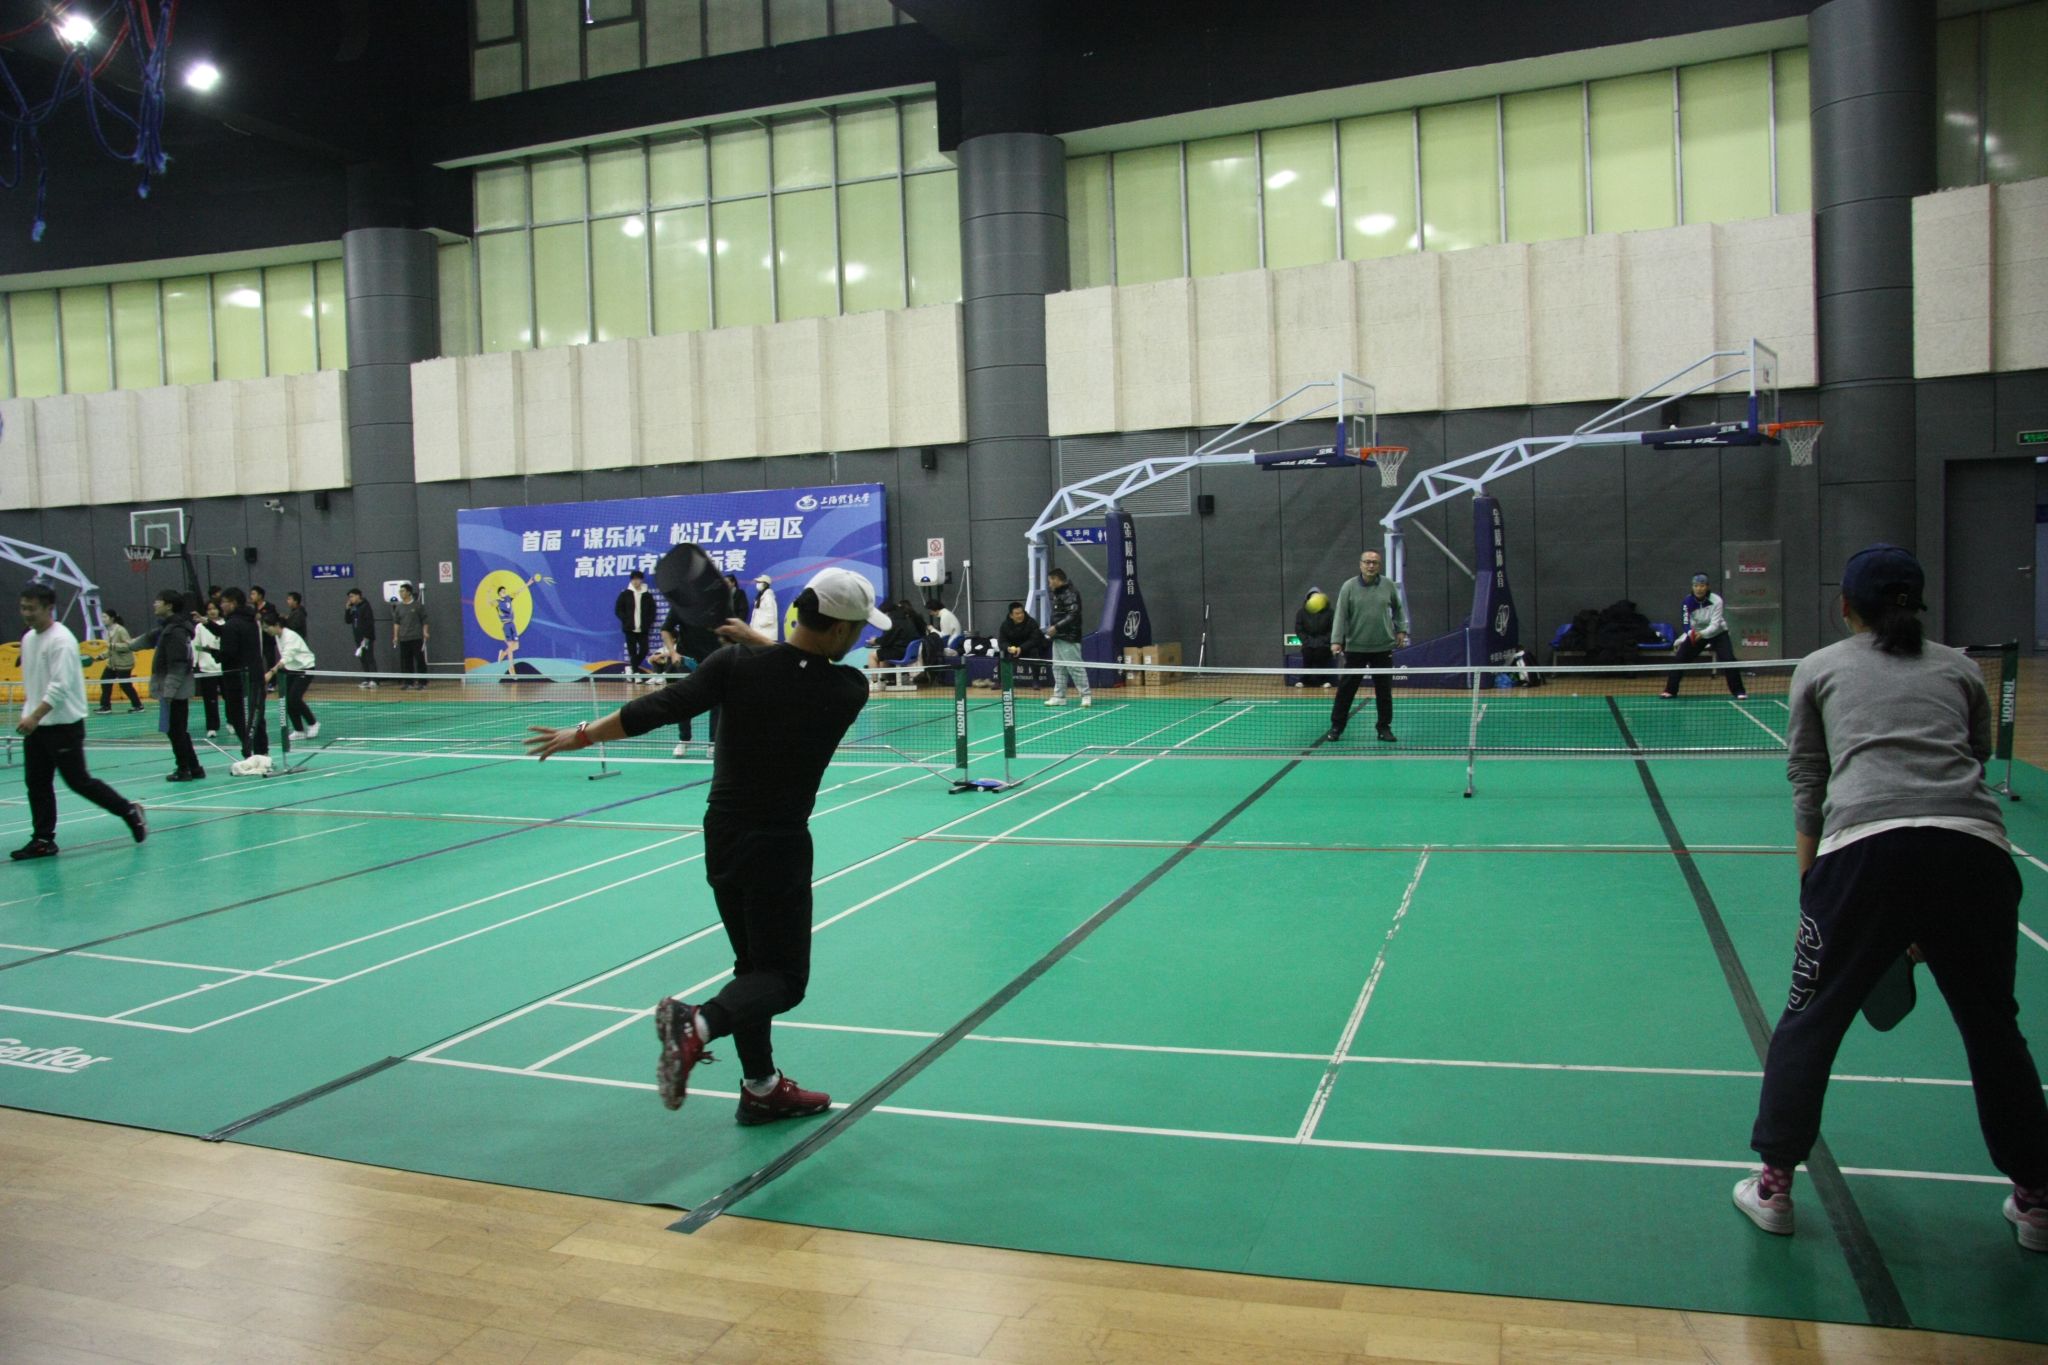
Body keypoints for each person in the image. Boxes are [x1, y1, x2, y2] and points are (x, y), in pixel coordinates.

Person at [1733, 545, 2048, 1254]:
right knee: (1994, 1029)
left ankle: (1774, 1187)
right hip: (1975, 857)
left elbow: (1808, 779)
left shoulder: (1818, 668)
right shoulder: (1961, 668)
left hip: (1864, 857)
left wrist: (1814, 891)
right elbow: (1972, 758)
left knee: (1809, 1021)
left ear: (1845, 606)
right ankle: (2037, 1198)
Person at [525, 567, 893, 1125]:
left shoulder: (733, 665)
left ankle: (761, 1087)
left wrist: (582, 735)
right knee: (783, 980)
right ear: (841, 631)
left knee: (752, 968)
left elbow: (659, 709)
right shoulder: (847, 689)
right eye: (859, 628)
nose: (861, 637)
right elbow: (798, 670)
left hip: (722, 836)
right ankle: (694, 1024)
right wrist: (760, 641)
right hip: (778, 845)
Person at [12, 583, 146, 859]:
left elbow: (59, 687)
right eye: (23, 607)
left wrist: (34, 715)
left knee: (78, 781)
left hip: (63, 725)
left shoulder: (62, 640)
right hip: (37, 726)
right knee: (36, 783)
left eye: (32, 608)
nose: (26, 613)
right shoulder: (29, 639)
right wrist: (30, 714)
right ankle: (43, 839)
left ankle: (128, 810)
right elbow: (35, 681)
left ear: (49, 608)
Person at [1325, 549, 1408, 743]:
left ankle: (1384, 728)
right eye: (1367, 562)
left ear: (1379, 565)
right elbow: (1340, 615)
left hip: (1383, 647)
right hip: (1356, 648)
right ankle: (1337, 727)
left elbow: (1398, 609)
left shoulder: (1388, 585)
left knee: (1384, 692)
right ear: (1360, 564)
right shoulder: (1348, 587)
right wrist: (1336, 640)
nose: (1371, 565)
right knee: (1346, 691)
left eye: (1374, 562)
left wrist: (1401, 629)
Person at [142, 589, 204, 782]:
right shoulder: (167, 628)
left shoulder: (175, 631)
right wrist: (112, 650)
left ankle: (183, 770)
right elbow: (143, 641)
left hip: (175, 691)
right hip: (173, 690)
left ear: (169, 606)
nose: (155, 604)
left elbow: (178, 665)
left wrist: (168, 692)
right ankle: (195, 768)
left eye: (158, 601)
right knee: (178, 731)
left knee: (175, 731)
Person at [1663, 572, 1746, 700]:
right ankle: (1670, 690)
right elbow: (1685, 623)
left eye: (1702, 586)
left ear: (1707, 587)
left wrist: (1702, 634)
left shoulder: (1716, 600)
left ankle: (1739, 691)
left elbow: (1715, 624)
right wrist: (1691, 634)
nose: (1699, 589)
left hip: (1718, 633)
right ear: (1692, 587)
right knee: (1679, 659)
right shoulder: (1687, 602)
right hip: (1696, 633)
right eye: (1696, 586)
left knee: (1729, 660)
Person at [646, 621, 715, 758]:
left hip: (711, 661)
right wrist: (672, 653)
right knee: (684, 702)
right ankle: (684, 740)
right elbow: (666, 628)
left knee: (716, 704)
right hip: (687, 663)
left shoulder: (712, 618)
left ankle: (713, 743)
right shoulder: (683, 617)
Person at [215, 586, 266, 758]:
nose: (221, 605)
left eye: (224, 602)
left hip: (238, 678)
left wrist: (217, 654)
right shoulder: (251, 621)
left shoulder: (232, 624)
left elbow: (229, 652)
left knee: (237, 715)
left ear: (233, 603)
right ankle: (261, 753)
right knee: (256, 715)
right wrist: (207, 624)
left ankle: (249, 753)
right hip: (255, 674)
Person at [264, 616, 319, 740]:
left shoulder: (290, 636)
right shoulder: (277, 636)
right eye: (264, 628)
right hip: (292, 669)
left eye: (267, 627)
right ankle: (299, 730)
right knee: (286, 699)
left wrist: (271, 673)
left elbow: (286, 657)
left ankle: (313, 723)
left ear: (277, 625)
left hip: (305, 668)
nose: (266, 630)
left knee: (294, 698)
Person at [1044, 568, 1092, 707]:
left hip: (1069, 637)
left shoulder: (1070, 593)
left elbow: (1073, 615)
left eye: (1050, 581)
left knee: (1075, 667)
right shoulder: (1058, 593)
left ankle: (1086, 695)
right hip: (1058, 637)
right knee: (1058, 668)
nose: (1049, 584)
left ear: (1056, 579)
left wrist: (1056, 627)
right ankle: (1059, 696)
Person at [96, 610, 143, 713]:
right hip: (112, 664)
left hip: (124, 664)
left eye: (105, 617)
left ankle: (138, 706)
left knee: (125, 685)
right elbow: (110, 649)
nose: (103, 619)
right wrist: (101, 656)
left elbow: (129, 646)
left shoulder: (121, 630)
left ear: (112, 618)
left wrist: (114, 646)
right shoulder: (108, 631)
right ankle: (105, 706)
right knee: (105, 681)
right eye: (102, 617)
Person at [615, 569, 658, 681]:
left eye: (637, 579)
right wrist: (626, 620)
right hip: (629, 628)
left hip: (643, 628)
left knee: (644, 650)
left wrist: (648, 622)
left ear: (641, 580)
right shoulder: (625, 594)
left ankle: (631, 668)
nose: (635, 581)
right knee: (632, 652)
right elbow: (618, 610)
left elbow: (652, 611)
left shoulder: (647, 595)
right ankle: (636, 674)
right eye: (633, 579)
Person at [193, 600, 225, 738]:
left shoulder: (225, 624)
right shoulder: (200, 627)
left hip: (224, 667)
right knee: (210, 700)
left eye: (214, 608)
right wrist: (194, 663)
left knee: (230, 697)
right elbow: (196, 645)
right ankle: (212, 727)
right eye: (209, 609)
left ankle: (232, 722)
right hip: (207, 668)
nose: (212, 611)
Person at [998, 601, 1046, 687]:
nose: (1020, 615)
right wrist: (1008, 648)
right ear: (1011, 615)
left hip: (1028, 648)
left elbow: (1034, 640)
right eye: (1017, 614)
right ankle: (1000, 681)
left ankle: (1036, 681)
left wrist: (1021, 648)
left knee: (1034, 652)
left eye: (1021, 613)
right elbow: (1002, 642)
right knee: (1002, 654)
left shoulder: (1032, 622)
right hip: (1013, 650)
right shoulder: (1005, 625)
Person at [391, 582, 429, 689]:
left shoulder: (417, 605)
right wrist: (395, 636)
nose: (400, 593)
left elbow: (424, 620)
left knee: (420, 660)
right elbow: (396, 623)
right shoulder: (399, 607)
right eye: (400, 591)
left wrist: (425, 632)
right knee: (406, 661)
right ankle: (408, 682)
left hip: (416, 637)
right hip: (404, 638)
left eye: (402, 591)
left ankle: (422, 682)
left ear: (408, 592)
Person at [1295, 586, 1334, 687]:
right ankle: (1304, 680)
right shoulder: (1301, 613)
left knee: (1320, 655)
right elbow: (1299, 629)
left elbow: (1333, 629)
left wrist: (1324, 640)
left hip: (1324, 643)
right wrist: (1306, 641)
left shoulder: (1330, 613)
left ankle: (1323, 680)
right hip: (1308, 642)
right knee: (1307, 655)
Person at [344, 588, 378, 688]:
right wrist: (347, 609)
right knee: (362, 659)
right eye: (349, 597)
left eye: (352, 596)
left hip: (367, 638)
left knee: (369, 658)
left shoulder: (365, 606)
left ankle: (374, 680)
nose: (350, 599)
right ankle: (367, 679)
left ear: (358, 596)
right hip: (358, 638)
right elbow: (348, 620)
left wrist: (366, 637)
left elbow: (369, 623)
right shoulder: (355, 608)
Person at [749, 574, 780, 640]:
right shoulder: (761, 596)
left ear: (765, 584)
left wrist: (760, 624)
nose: (757, 584)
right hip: (760, 633)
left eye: (759, 582)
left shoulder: (768, 597)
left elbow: (770, 617)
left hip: (766, 634)